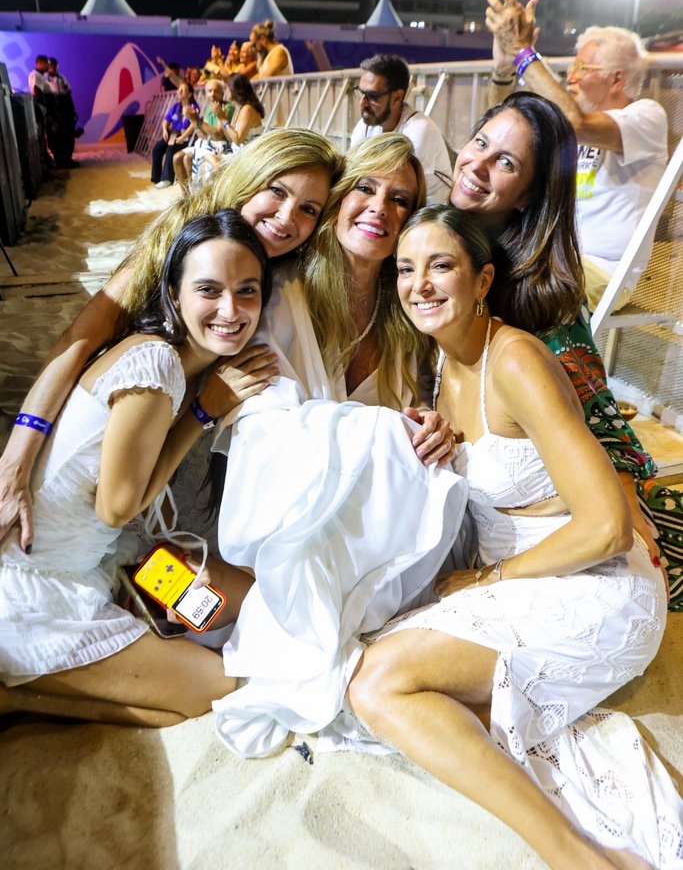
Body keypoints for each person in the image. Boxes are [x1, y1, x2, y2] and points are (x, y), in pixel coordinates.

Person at [345, 205, 680, 869]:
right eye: (406, 269)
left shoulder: (516, 359)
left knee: (377, 684)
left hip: (593, 584)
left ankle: (574, 855)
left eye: (441, 266)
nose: (419, 284)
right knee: (366, 668)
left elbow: (608, 528)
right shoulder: (436, 360)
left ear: (482, 280)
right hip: (526, 577)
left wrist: (486, 578)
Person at [211, 133, 461, 755]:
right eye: (365, 188)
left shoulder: (407, 313)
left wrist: (429, 425)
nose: (380, 207)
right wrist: (379, 432)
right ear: (338, 200)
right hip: (277, 515)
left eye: (400, 199)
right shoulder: (280, 292)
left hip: (365, 524)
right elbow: (261, 424)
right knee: (206, 617)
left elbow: (418, 416)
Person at [0, 129, 343, 554]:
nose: (288, 217)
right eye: (277, 190)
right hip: (117, 431)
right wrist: (15, 462)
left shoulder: (287, 271)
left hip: (139, 455)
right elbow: (79, 341)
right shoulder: (180, 244)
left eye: (308, 209)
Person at [0, 210, 276, 727]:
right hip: (35, 587)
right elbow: (116, 508)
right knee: (213, 688)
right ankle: (14, 698)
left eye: (247, 291)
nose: (230, 310)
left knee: (236, 599)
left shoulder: (168, 359)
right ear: (174, 294)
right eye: (209, 290)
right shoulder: (157, 364)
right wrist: (201, 414)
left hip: (94, 561)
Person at [448, 90, 683, 607]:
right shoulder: (431, 232)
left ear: (528, 194)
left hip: (529, 502)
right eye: (480, 143)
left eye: (506, 163)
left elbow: (590, 393)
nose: (478, 165)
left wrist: (623, 491)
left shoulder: (535, 288)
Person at [485, 0, 669, 311]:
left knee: (497, 283)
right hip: (553, 254)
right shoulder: (567, 119)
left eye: (582, 68)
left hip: (601, 271)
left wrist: (523, 52)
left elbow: (577, 123)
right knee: (465, 254)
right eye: (572, 67)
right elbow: (498, 124)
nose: (570, 77)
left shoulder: (646, 116)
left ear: (616, 79)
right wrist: (504, 67)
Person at [349, 53, 452, 204]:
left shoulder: (419, 131)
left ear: (397, 97)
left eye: (372, 96)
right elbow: (351, 175)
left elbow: (405, 191)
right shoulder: (365, 126)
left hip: (429, 211)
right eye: (361, 92)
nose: (362, 102)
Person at [150, 83, 199, 188]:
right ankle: (156, 178)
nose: (179, 91)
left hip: (186, 137)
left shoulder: (193, 107)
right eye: (179, 89)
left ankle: (167, 179)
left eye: (183, 90)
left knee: (171, 148)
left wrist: (182, 137)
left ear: (189, 94)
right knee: (157, 148)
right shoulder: (176, 107)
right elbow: (165, 121)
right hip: (173, 134)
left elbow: (193, 125)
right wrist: (164, 130)